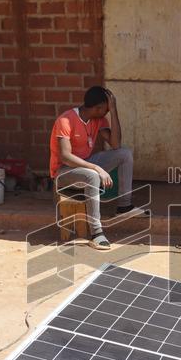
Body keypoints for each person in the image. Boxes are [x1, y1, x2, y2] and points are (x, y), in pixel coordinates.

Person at [50, 86, 148, 250]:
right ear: (98, 108)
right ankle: (96, 233)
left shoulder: (99, 119)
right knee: (92, 176)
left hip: (85, 164)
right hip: (63, 172)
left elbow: (115, 144)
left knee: (124, 154)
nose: (108, 110)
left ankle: (124, 206)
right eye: (107, 107)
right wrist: (96, 168)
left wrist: (114, 111)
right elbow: (65, 157)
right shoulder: (65, 120)